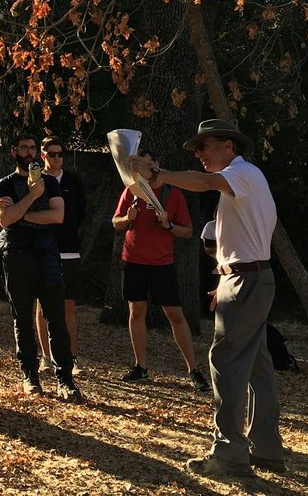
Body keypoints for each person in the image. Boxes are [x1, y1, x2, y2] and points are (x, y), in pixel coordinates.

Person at [132, 119, 285, 479]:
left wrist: (160, 173)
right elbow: (249, 234)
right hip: (249, 278)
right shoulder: (245, 179)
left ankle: (229, 452)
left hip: (247, 281)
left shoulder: (241, 173)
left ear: (229, 146)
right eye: (197, 149)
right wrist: (226, 277)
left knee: (226, 362)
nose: (199, 154)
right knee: (257, 366)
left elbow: (202, 183)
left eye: (205, 146)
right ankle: (266, 448)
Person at [0, 133, 82, 403]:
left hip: (47, 256)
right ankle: (30, 375)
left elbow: (58, 215)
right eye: (24, 148)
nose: (29, 152)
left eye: (32, 148)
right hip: (17, 255)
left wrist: (23, 215)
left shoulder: (51, 184)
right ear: (14, 152)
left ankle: (65, 379)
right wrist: (32, 197)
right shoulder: (5, 185)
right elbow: (5, 219)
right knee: (22, 317)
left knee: (57, 318)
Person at [111, 150, 208, 392]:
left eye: (148, 163)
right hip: (133, 260)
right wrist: (127, 218)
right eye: (139, 164)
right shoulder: (132, 191)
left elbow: (187, 231)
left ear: (157, 165)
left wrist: (168, 224)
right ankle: (140, 366)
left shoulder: (172, 194)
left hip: (162, 263)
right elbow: (115, 222)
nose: (143, 168)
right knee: (136, 311)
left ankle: (193, 370)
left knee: (175, 315)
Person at [35, 136, 87, 377]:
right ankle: (45, 357)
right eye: (52, 154)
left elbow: (80, 213)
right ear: (43, 155)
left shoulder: (74, 182)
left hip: (68, 249)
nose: (57, 158)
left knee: (68, 306)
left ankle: (71, 358)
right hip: (41, 249)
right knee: (41, 305)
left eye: (60, 153)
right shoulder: (36, 181)